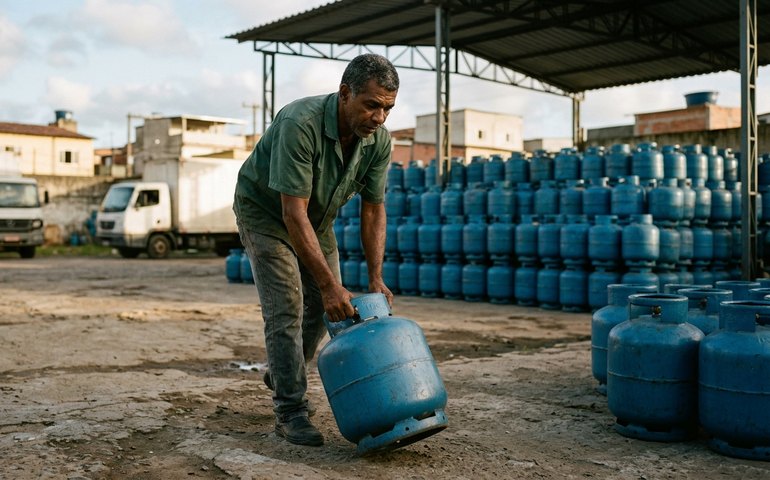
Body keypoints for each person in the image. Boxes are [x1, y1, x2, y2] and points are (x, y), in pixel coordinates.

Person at [233, 53, 398, 446]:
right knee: (288, 304)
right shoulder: (300, 123)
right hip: (267, 215)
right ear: (345, 94)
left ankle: (284, 369)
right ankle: (290, 410)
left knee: (329, 311)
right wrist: (328, 286)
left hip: (317, 220)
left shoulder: (378, 142)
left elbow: (374, 209)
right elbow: (292, 213)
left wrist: (375, 278)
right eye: (371, 105)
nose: (379, 117)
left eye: (388, 108)